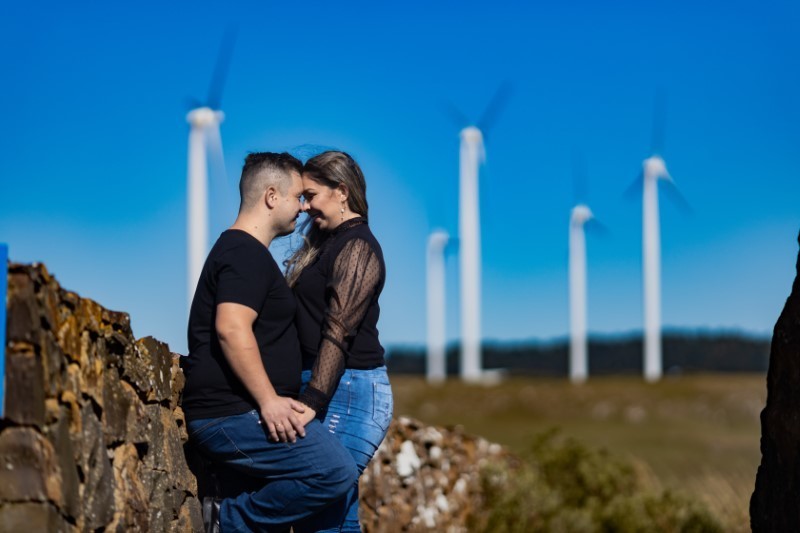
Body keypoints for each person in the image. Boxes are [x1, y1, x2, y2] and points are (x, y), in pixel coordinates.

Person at [180, 152, 358, 532]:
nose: (303, 207)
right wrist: (268, 401)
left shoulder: (245, 253)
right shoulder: (244, 253)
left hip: (238, 412)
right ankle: (225, 521)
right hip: (231, 413)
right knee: (334, 470)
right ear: (272, 196)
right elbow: (231, 328)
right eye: (297, 197)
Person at [285, 150, 394, 532]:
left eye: (311, 195)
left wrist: (313, 399)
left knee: (320, 509)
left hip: (351, 390)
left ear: (342, 191)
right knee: (336, 515)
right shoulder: (326, 245)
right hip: (331, 385)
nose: (304, 206)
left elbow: (339, 328)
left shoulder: (358, 247)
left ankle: (232, 517)